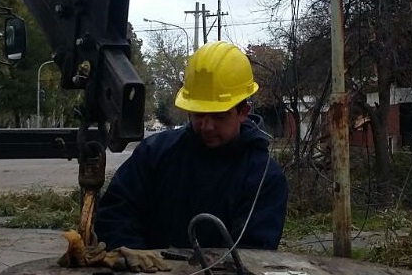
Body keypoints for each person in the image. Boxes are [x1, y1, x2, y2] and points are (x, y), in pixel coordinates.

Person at [94, 40, 289, 251]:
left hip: (223, 274)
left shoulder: (263, 177)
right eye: (198, 114)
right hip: (145, 271)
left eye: (219, 116)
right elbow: (115, 213)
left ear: (243, 112)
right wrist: (139, 260)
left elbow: (254, 253)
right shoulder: (155, 153)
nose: (207, 126)